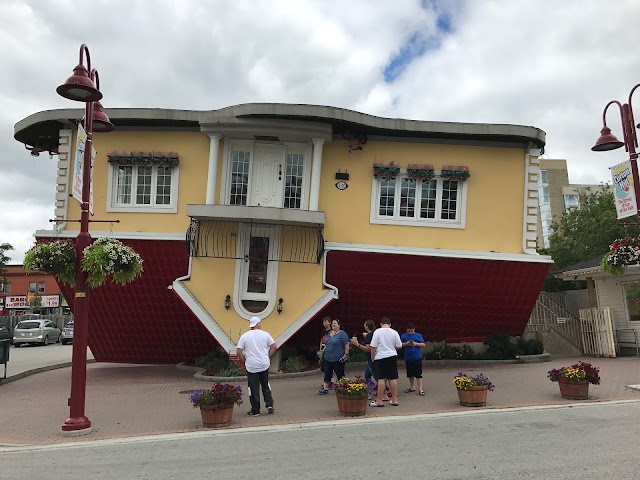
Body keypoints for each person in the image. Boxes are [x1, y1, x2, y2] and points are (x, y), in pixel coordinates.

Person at [237, 316, 277, 416]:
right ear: (258, 324)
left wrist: (243, 361)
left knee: (253, 388)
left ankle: (255, 410)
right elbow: (274, 347)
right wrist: (268, 356)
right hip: (264, 363)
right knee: (265, 384)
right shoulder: (265, 334)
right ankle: (269, 404)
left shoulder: (244, 336)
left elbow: (239, 351)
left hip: (251, 365)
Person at [369, 317, 402, 407]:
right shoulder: (394, 332)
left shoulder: (377, 332)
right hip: (392, 356)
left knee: (381, 378)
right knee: (392, 378)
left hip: (380, 357)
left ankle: (379, 400)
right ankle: (394, 400)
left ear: (381, 324)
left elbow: (373, 346)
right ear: (390, 324)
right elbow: (399, 346)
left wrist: (373, 357)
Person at [318, 318, 349, 394]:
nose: (333, 325)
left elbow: (346, 344)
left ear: (339, 325)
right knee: (327, 372)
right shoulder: (330, 333)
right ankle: (325, 389)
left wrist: (346, 354)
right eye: (332, 323)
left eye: (335, 323)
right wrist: (323, 350)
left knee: (340, 373)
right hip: (328, 357)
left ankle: (344, 388)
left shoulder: (342, 333)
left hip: (338, 358)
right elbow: (327, 342)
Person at [350, 319, 377, 390]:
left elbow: (368, 348)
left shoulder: (369, 336)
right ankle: (372, 388)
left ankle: (383, 390)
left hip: (370, 357)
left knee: (375, 375)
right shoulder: (374, 334)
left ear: (367, 326)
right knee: (367, 375)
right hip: (376, 357)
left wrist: (357, 344)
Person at [401, 322, 426, 396]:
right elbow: (400, 344)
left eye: (411, 331)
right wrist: (406, 344)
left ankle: (420, 389)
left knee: (418, 374)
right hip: (408, 357)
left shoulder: (418, 335)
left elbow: (423, 344)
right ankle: (412, 387)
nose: (410, 333)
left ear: (414, 329)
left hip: (417, 357)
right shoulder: (404, 336)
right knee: (410, 374)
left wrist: (415, 344)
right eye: (409, 331)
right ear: (406, 330)